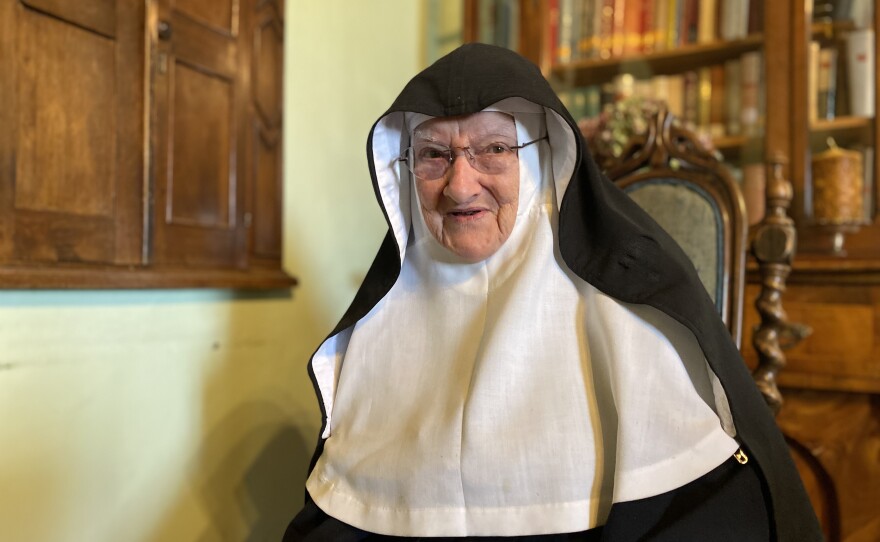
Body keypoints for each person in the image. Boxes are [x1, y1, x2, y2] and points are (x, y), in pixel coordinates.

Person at [284, 44, 822, 541]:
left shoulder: (627, 312)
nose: (460, 186)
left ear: (544, 159)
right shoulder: (380, 325)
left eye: (494, 148)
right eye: (433, 155)